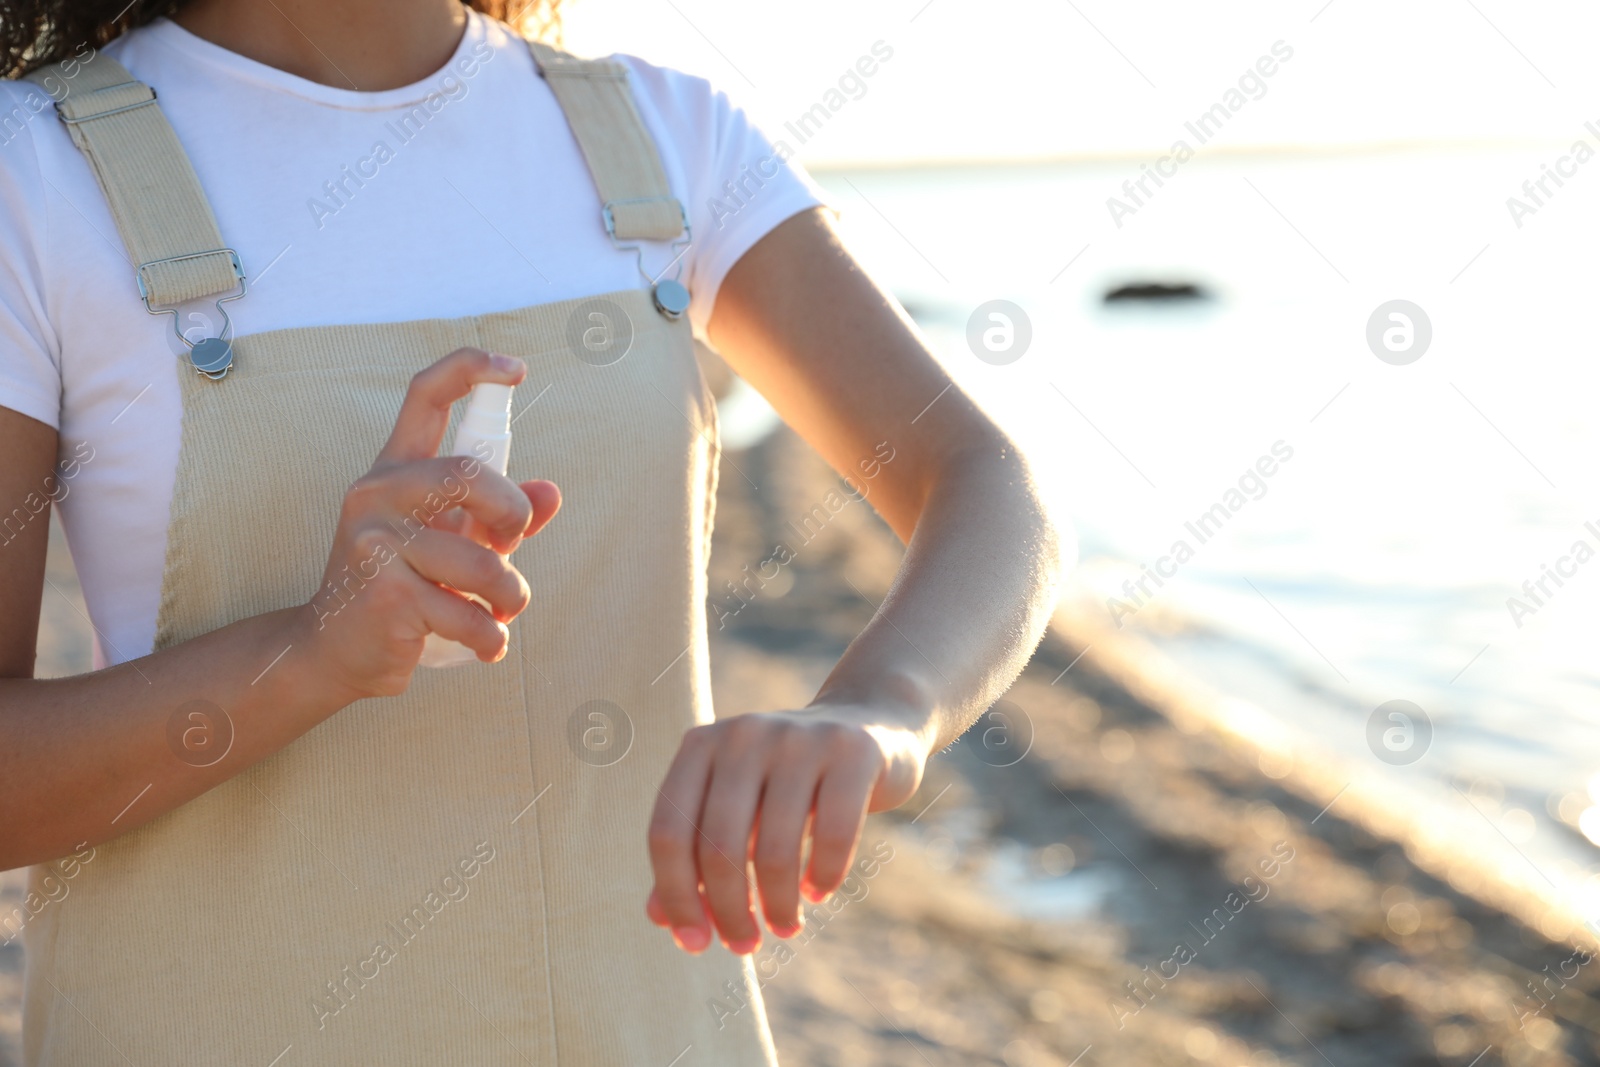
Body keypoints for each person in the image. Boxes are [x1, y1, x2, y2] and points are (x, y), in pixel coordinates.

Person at [0, 0, 1070, 1062]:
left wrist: (879, 709)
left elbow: (980, 480)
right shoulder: (32, 171)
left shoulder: (664, 136)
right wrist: (307, 653)